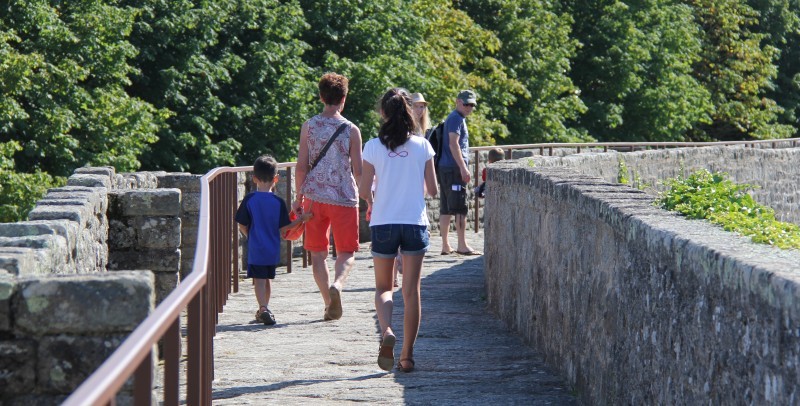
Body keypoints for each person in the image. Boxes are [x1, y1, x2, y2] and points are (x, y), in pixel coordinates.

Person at [359, 88, 438, 373]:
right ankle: (406, 356)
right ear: (409, 111)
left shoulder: (371, 146)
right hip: (414, 223)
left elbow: (365, 190)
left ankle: (387, 331)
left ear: (383, 113)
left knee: (383, 287)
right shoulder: (422, 146)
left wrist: (376, 197)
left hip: (383, 222)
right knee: (411, 291)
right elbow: (433, 189)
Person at [293, 72, 363, 321]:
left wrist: (298, 198)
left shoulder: (309, 126)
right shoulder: (351, 130)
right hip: (344, 198)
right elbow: (358, 170)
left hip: (314, 197)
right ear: (343, 99)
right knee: (346, 252)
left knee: (318, 253)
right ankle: (338, 285)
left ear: (321, 97)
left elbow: (301, 167)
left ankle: (327, 302)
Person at [236, 155, 312, 325]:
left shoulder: (250, 200)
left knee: (259, 280)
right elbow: (285, 228)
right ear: (276, 179)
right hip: (272, 248)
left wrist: (249, 235)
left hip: (256, 247)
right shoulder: (278, 202)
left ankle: (263, 308)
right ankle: (265, 308)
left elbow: (241, 223)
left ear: (254, 178)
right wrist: (301, 220)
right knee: (267, 279)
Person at [390, 92, 432, 288]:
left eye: (422, 106)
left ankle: (398, 273)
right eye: (416, 105)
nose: (420, 109)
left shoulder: (421, 131)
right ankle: (397, 275)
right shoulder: (412, 134)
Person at [438, 89, 480, 256]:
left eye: (472, 105)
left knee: (446, 206)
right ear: (458, 102)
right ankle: (462, 245)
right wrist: (463, 167)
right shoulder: (456, 118)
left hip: (445, 167)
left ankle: (445, 245)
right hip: (454, 168)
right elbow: (453, 143)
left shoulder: (454, 117)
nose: (469, 107)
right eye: (466, 104)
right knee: (460, 206)